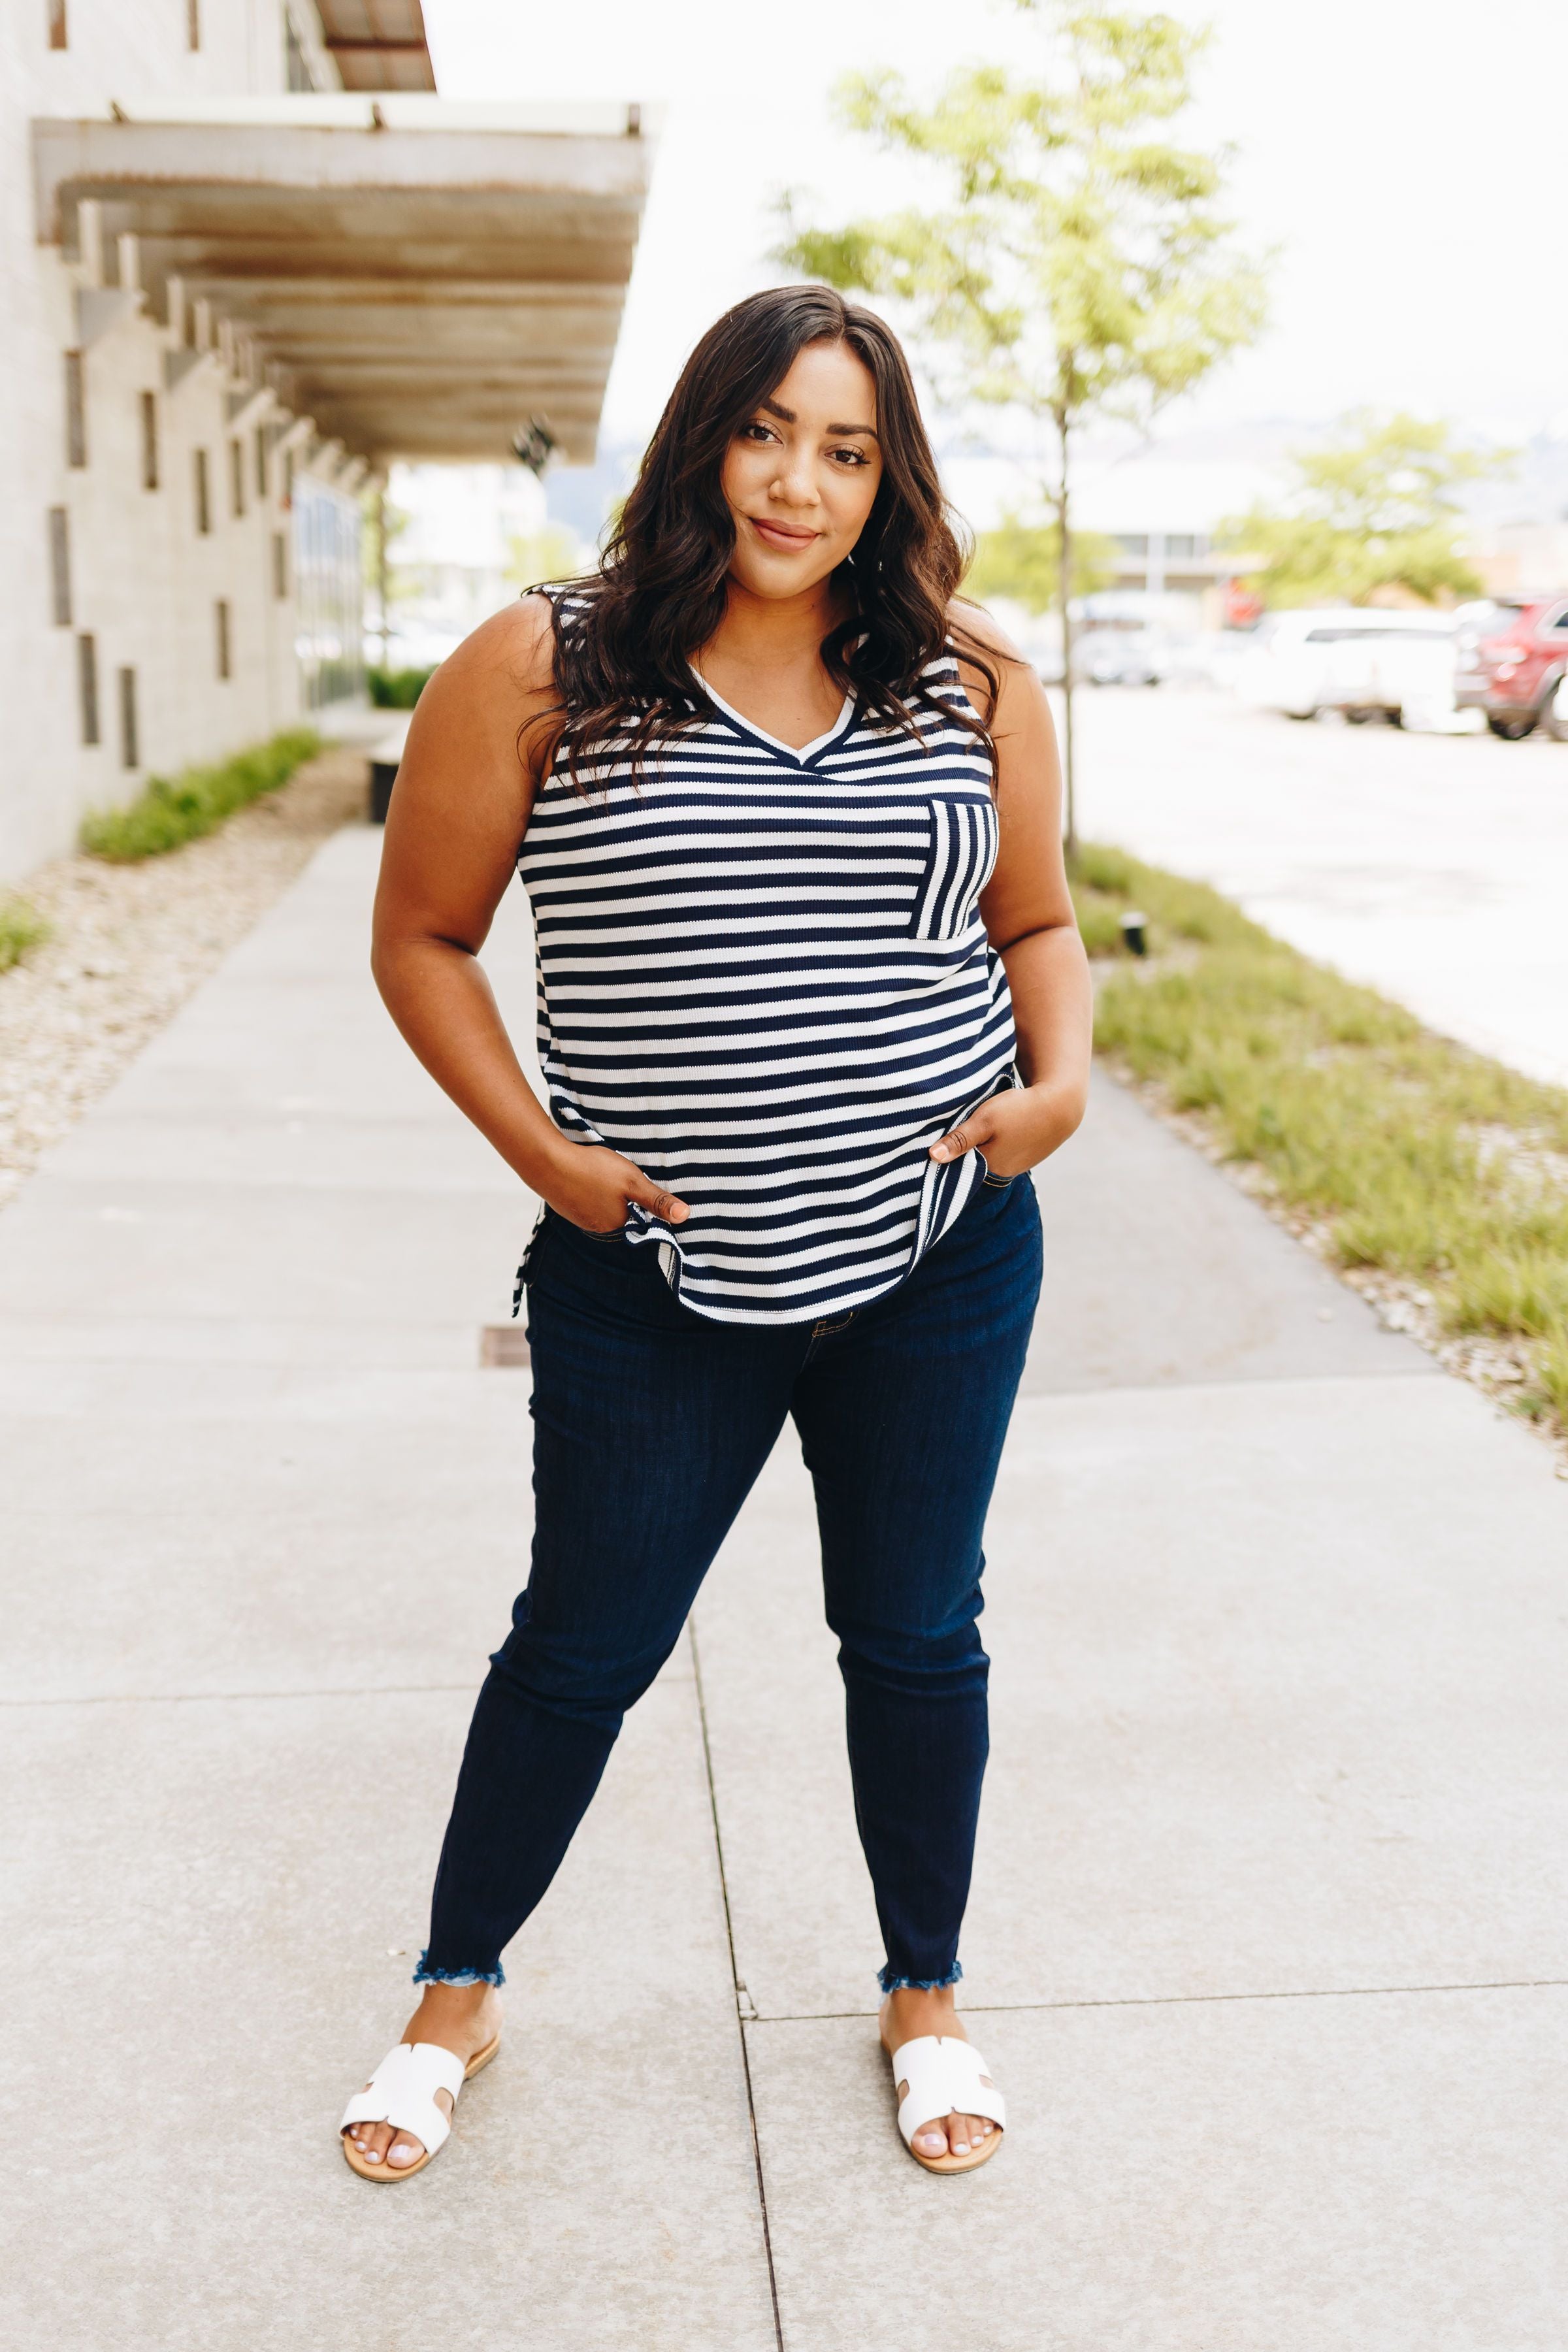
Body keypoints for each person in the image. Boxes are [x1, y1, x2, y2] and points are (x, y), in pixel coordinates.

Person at [340, 284, 1091, 2183]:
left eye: (848, 448)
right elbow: (420, 940)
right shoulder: (544, 661)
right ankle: (455, 1987)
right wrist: (550, 1161)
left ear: (887, 474)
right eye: (770, 431)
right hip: (653, 1287)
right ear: (704, 438)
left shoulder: (970, 680)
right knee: (581, 1646)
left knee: (917, 1637)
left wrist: (1058, 1089)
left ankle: (925, 1992)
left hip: (935, 1260)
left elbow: (1039, 928)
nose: (802, 481)